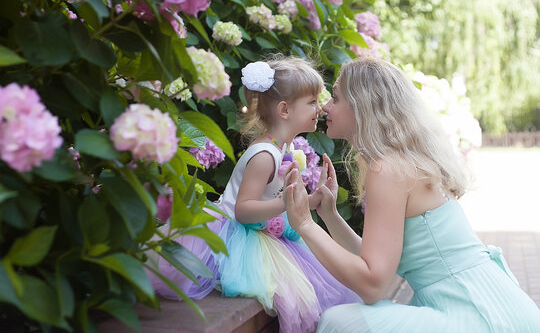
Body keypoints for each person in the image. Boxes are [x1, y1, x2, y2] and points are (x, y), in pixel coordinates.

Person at [284, 57, 540, 332]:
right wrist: (329, 215)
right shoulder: (400, 162)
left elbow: (373, 285)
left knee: (339, 322)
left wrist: (305, 225)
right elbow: (375, 262)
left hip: (478, 315)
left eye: (335, 97)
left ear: (362, 105)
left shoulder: (388, 169)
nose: (325, 106)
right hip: (496, 307)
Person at [150, 56, 360, 333]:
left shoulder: (281, 149)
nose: (319, 108)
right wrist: (285, 201)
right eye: (311, 102)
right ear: (285, 110)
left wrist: (312, 199)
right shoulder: (264, 155)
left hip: (259, 234)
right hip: (233, 234)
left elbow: (280, 204)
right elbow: (243, 210)